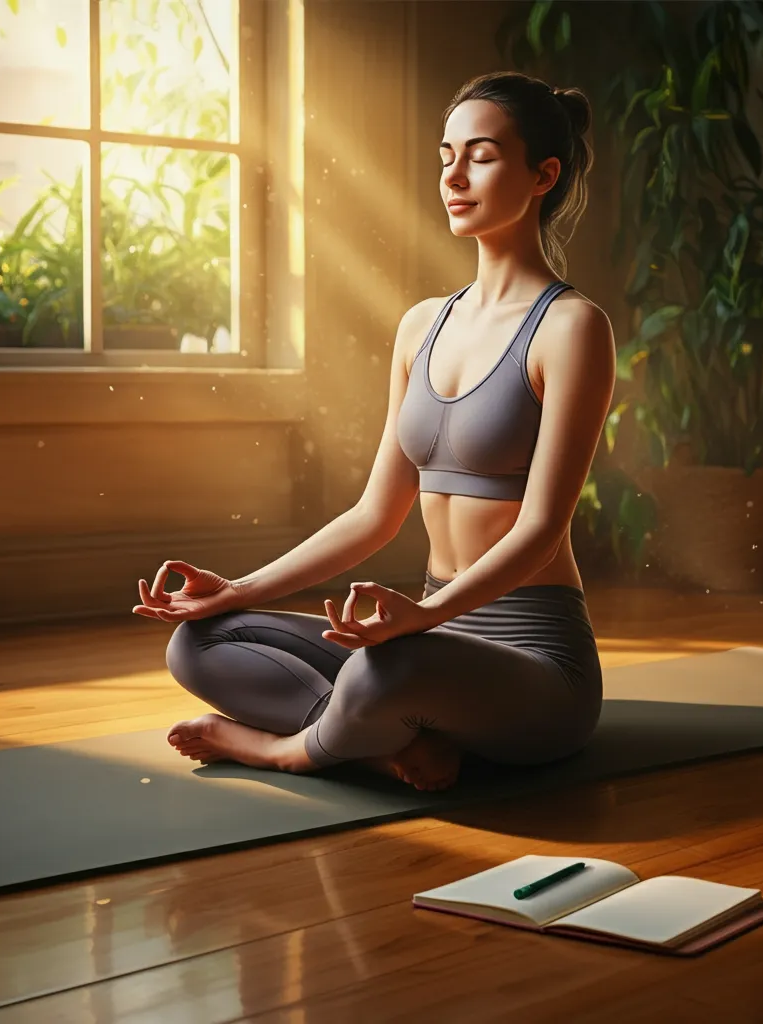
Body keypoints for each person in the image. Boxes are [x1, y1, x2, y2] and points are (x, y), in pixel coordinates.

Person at [133, 71, 616, 793]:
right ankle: (389, 747)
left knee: (390, 667)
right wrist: (236, 588)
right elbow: (372, 515)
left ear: (543, 173)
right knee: (198, 644)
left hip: (536, 666)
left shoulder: (573, 328)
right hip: (428, 637)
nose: (453, 174)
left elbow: (542, 528)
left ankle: (283, 751)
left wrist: (424, 616)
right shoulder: (422, 325)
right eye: (445, 155)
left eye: (480, 155)